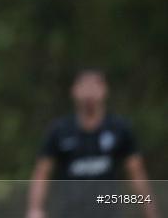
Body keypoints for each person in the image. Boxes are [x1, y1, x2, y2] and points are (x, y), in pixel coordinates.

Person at [26, 69, 161, 218]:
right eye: (84, 86)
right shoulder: (59, 131)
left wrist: (149, 210)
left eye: (95, 86)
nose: (89, 92)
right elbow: (42, 173)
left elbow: (136, 174)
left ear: (104, 90)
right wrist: (35, 209)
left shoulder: (120, 129)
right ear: (74, 91)